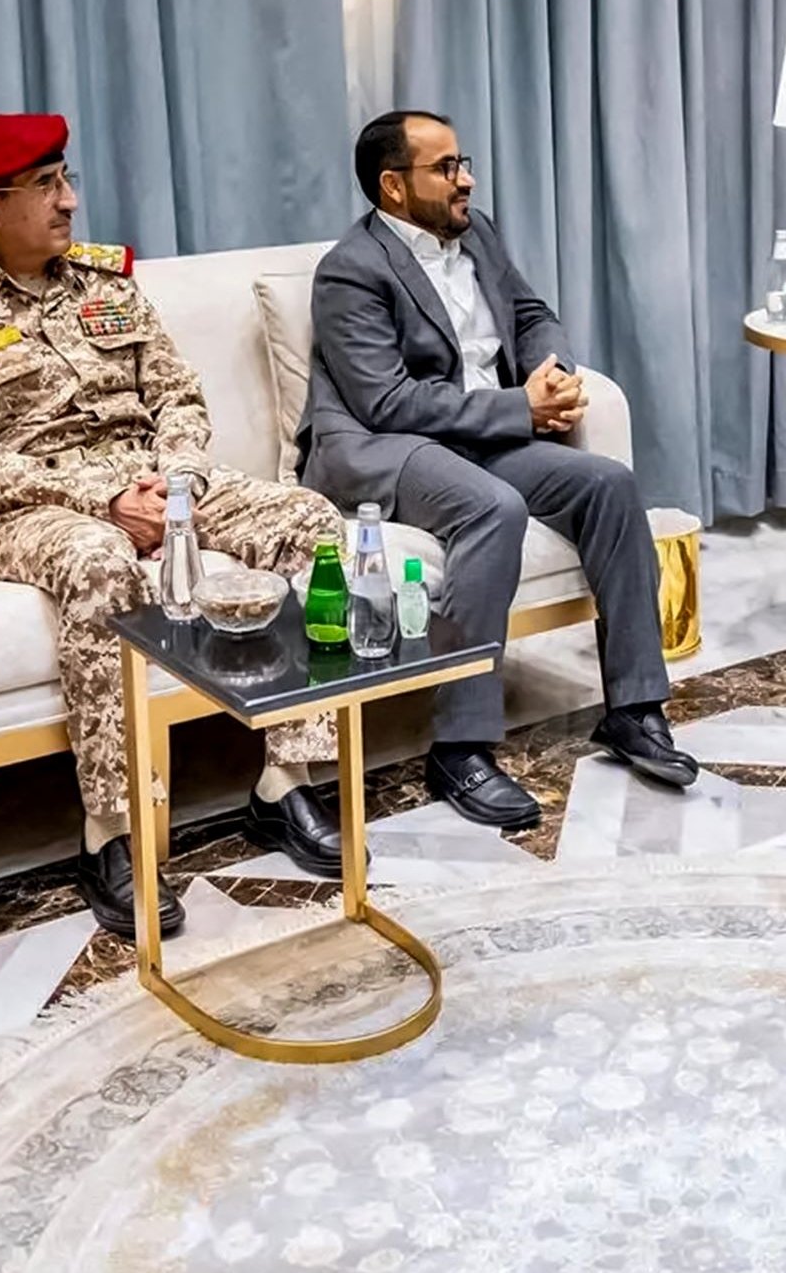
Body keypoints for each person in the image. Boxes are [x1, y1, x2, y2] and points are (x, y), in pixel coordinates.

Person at [0, 114, 345, 938]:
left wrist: (172, 482)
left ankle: (289, 779)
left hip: (157, 482)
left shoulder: (109, 282)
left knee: (310, 521)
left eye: (66, 178)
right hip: (32, 512)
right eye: (46, 187)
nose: (69, 201)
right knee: (105, 565)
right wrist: (103, 503)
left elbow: (179, 395)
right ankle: (113, 831)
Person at [296, 110, 696, 827]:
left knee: (609, 484)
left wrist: (552, 371)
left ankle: (634, 707)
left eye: (463, 161)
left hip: (481, 432)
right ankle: (461, 745)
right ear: (393, 186)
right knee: (493, 507)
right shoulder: (349, 271)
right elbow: (387, 400)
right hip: (381, 444)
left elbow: (532, 311)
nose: (466, 178)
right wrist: (520, 408)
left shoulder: (473, 231)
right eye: (446, 167)